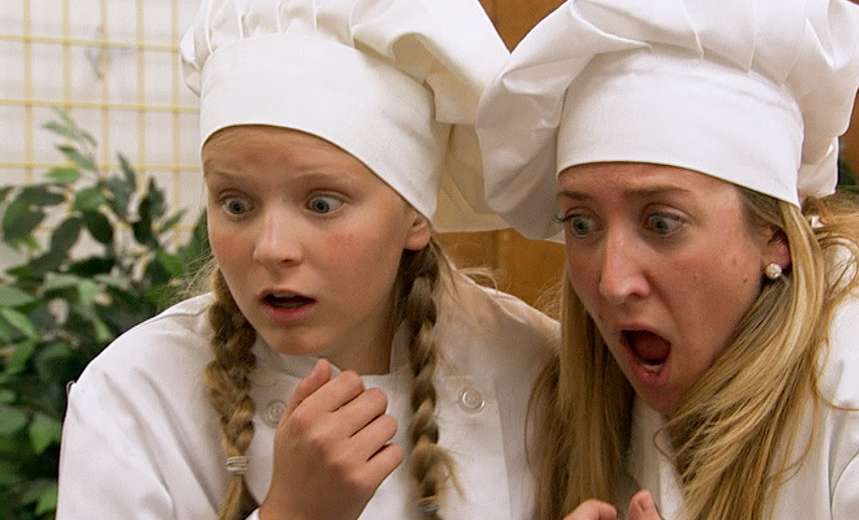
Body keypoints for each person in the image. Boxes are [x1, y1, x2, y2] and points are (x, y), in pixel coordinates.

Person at [476, 0, 859, 518]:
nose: (612, 282)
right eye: (582, 224)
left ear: (775, 235)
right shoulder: (625, 391)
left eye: (662, 223)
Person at [55, 0, 558, 518]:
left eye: (321, 204)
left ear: (415, 215)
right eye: (236, 205)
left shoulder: (533, 366)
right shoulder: (135, 396)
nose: (271, 248)